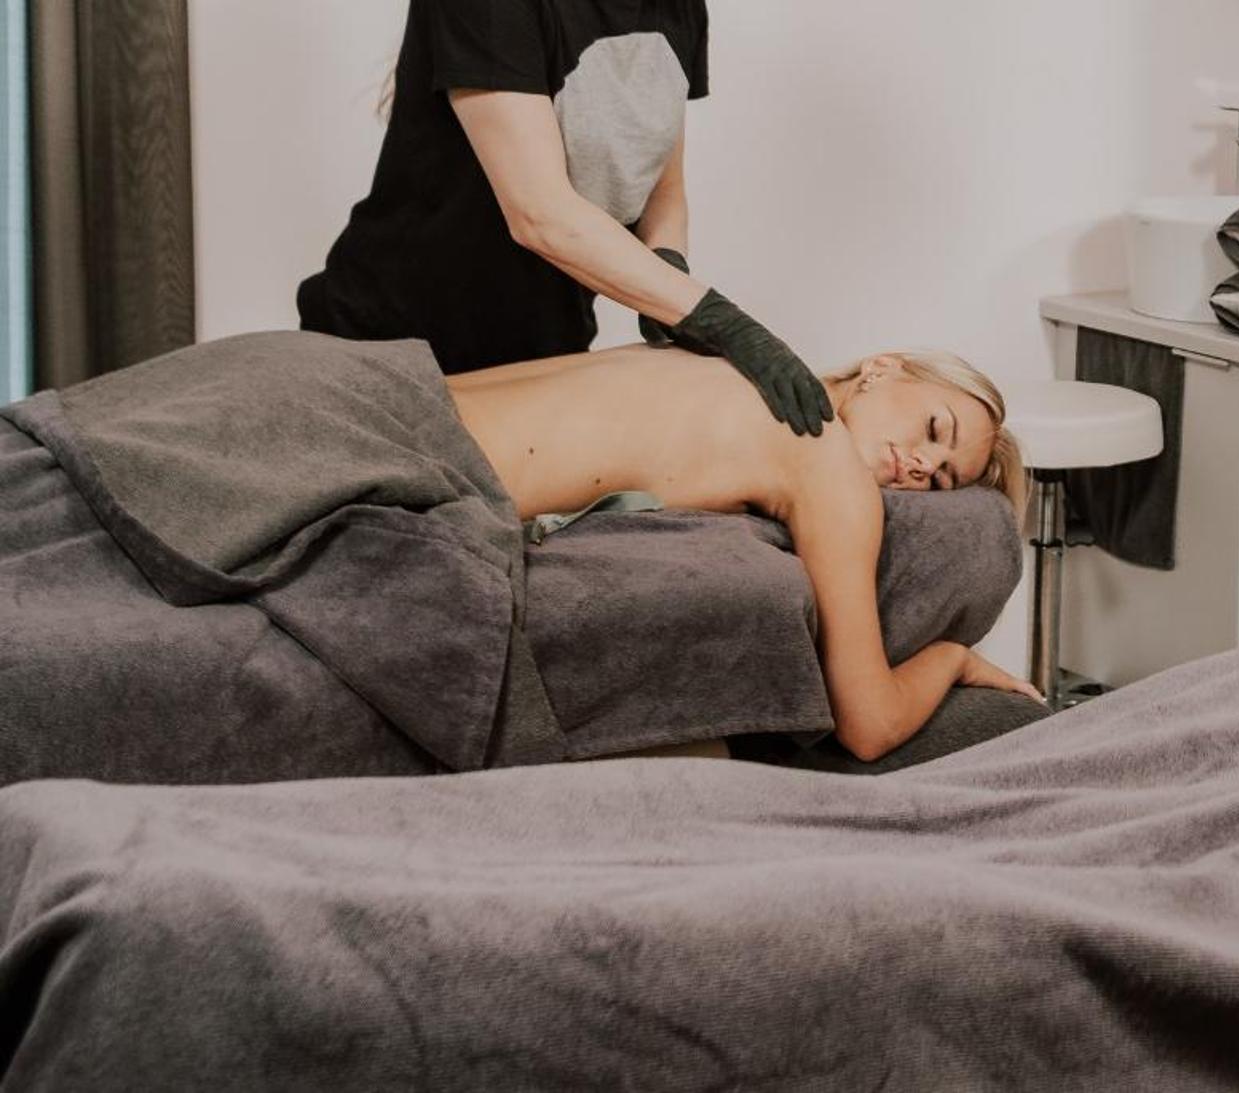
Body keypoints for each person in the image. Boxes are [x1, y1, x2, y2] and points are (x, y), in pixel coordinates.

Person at [449, 343, 1039, 760]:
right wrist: (954, 657)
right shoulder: (827, 469)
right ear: (881, 368)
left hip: (409, 386)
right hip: (425, 476)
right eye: (935, 428)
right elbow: (870, 725)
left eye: (940, 478)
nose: (922, 464)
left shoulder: (728, 357)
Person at [299, 0, 834, 436]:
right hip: (389, 352)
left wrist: (667, 265)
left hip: (541, 361)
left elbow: (662, 185)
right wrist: (718, 321)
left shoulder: (679, 8)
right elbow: (539, 214)